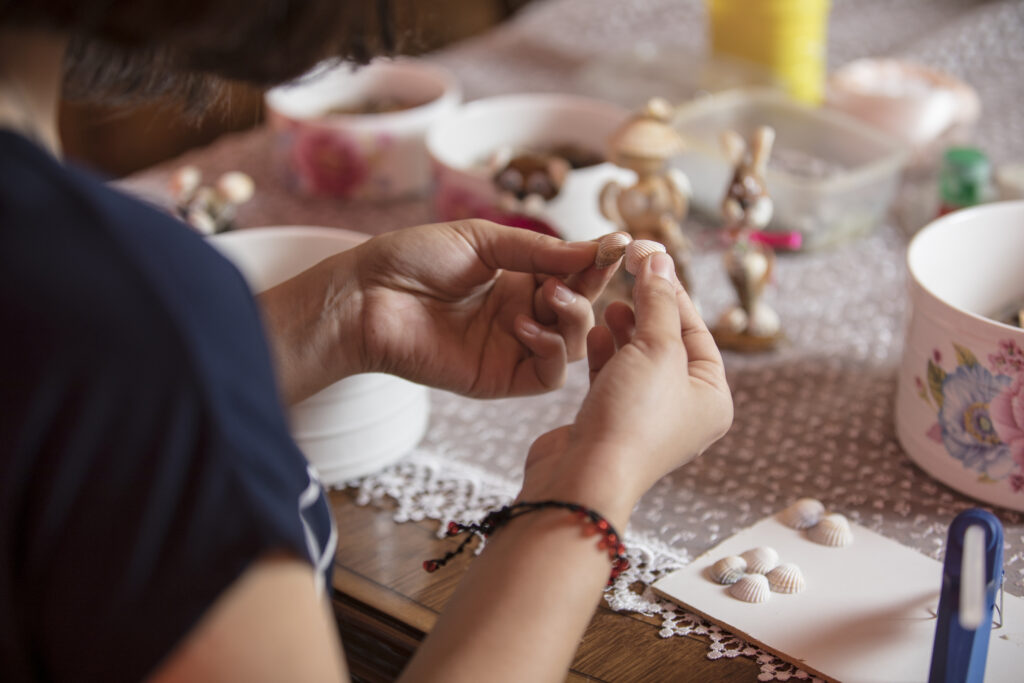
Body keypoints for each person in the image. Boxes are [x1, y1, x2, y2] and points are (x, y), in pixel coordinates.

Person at [0, 2, 733, 681]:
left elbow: (63, 421)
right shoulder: (113, 299)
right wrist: (593, 478)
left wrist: (342, 316)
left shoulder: (81, 293)